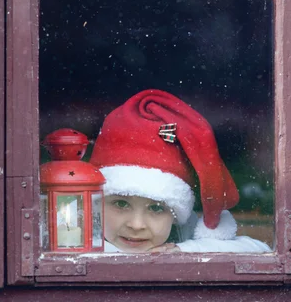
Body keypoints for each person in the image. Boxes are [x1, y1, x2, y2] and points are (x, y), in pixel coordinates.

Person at [89, 89, 271, 253]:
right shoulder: (77, 244)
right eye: (121, 204)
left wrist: (185, 250)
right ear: (96, 204)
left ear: (175, 216)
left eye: (156, 208)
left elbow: (260, 250)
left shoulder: (183, 236)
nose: (136, 225)